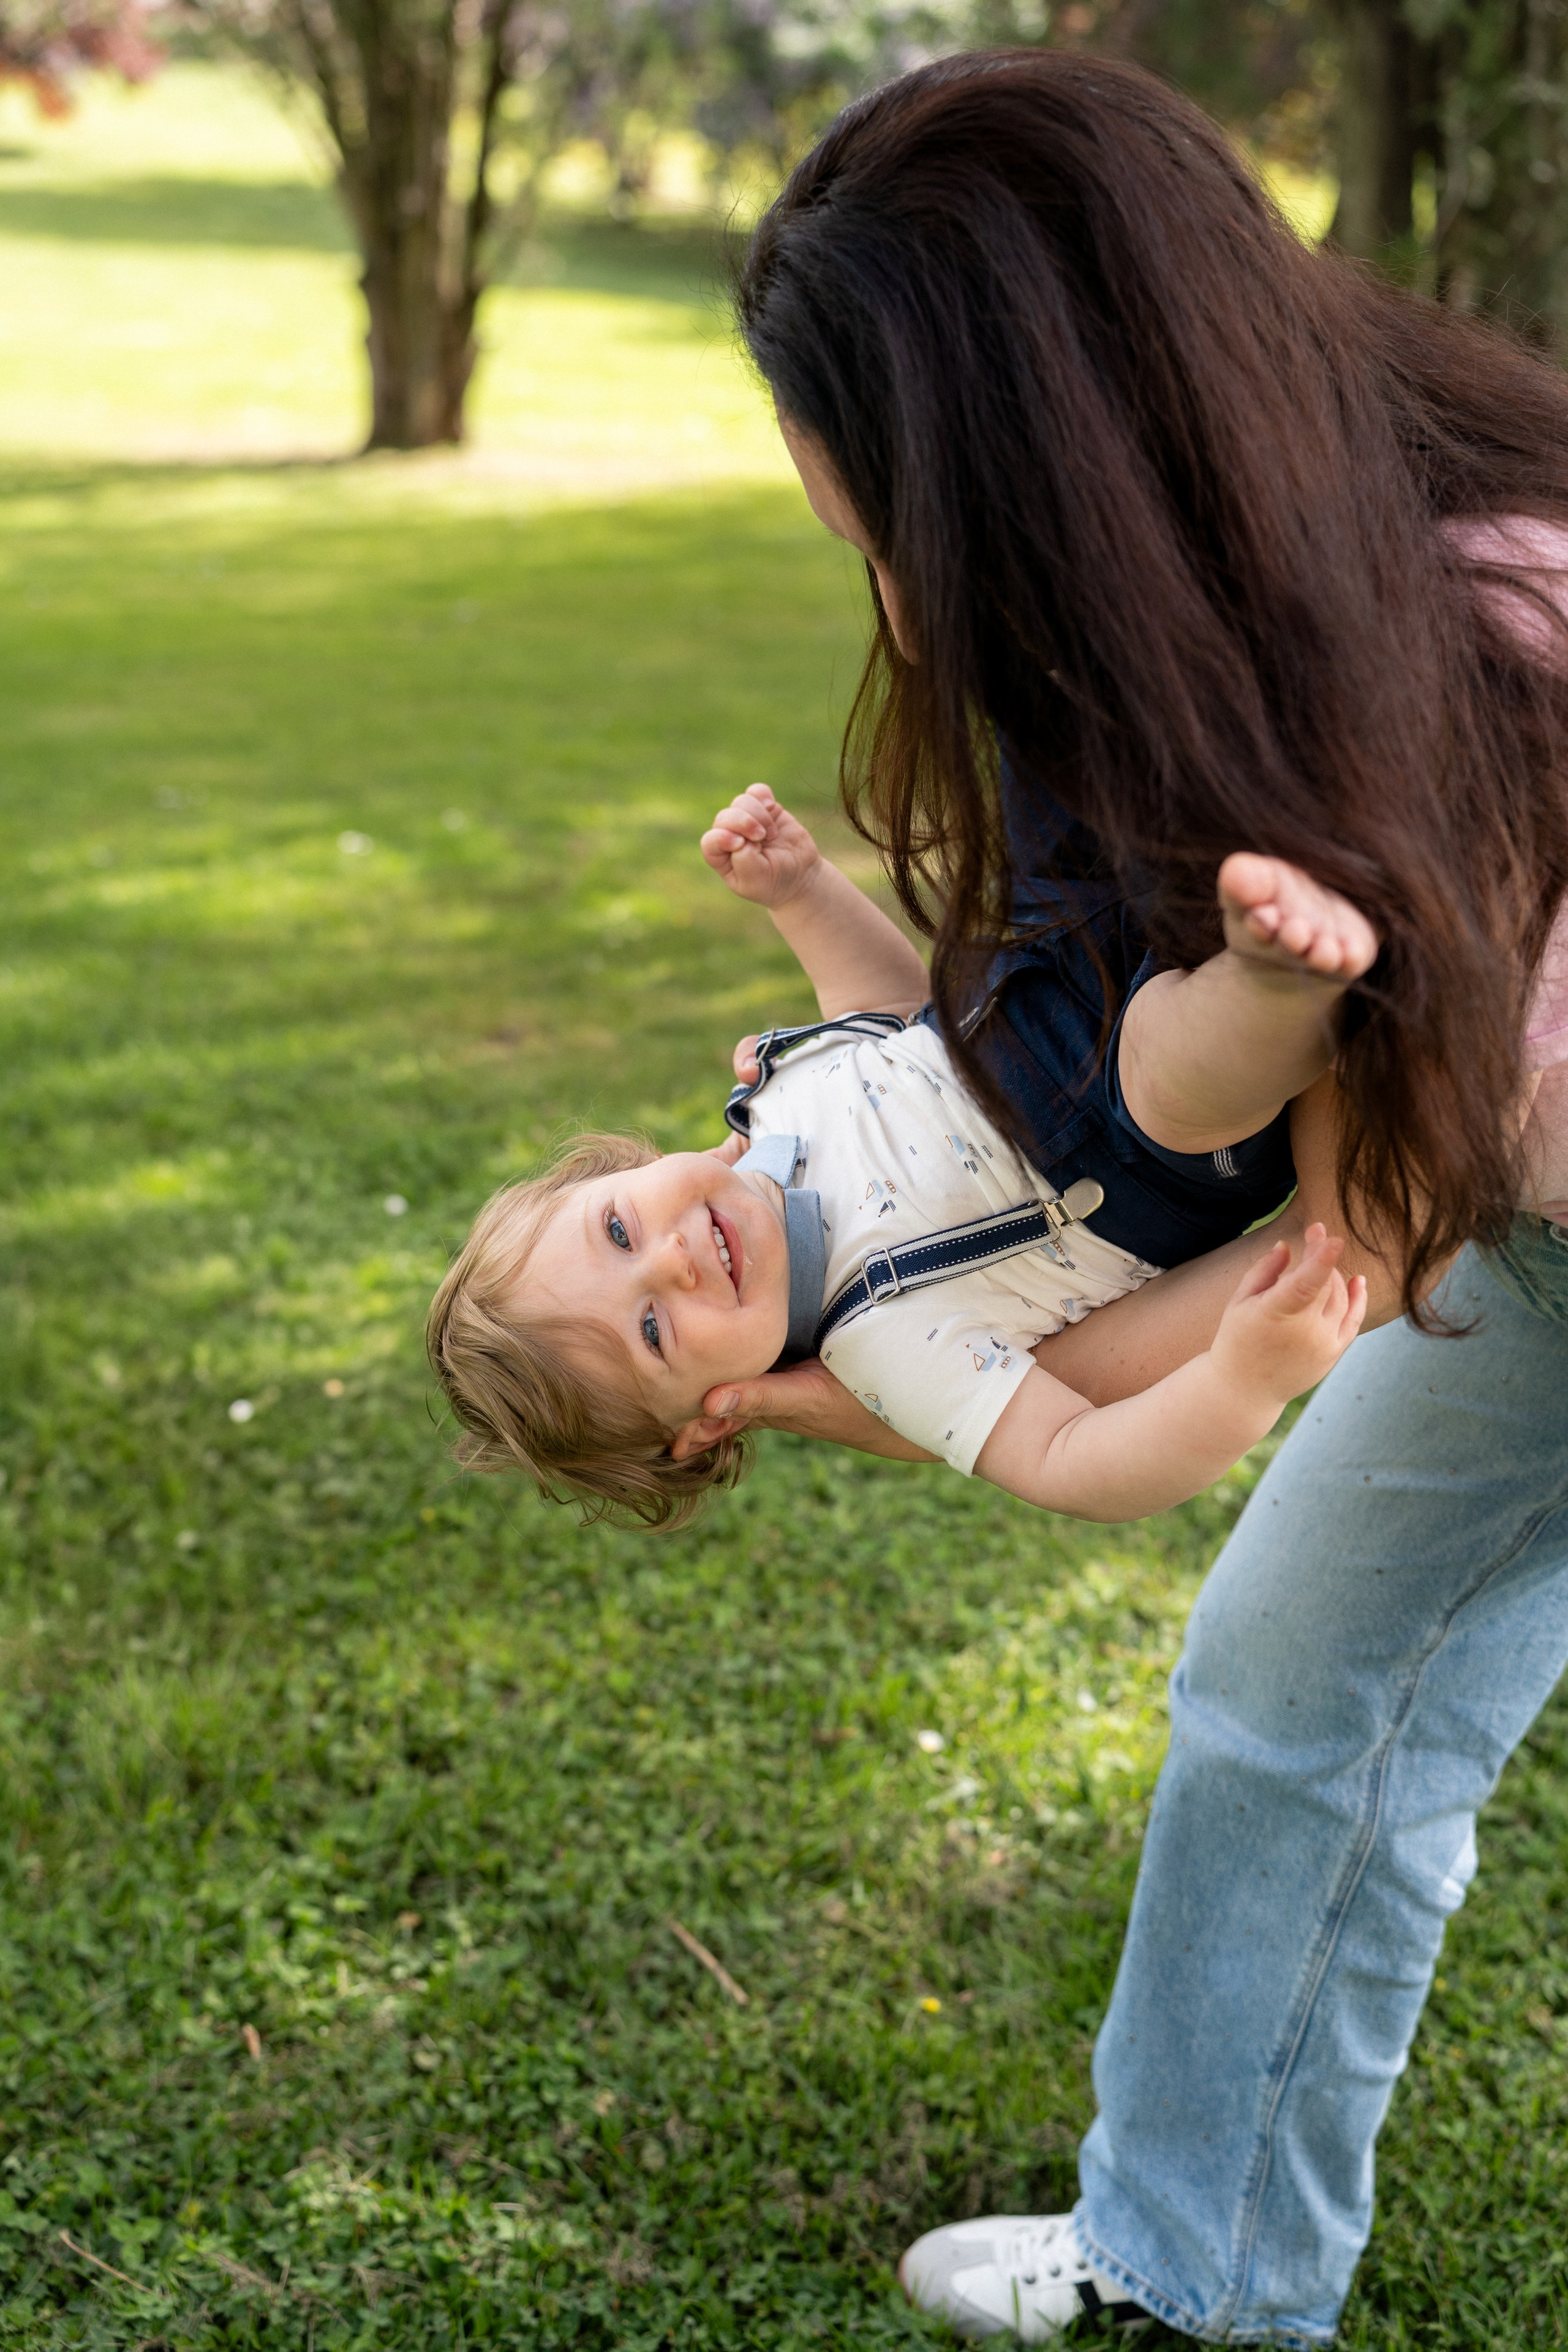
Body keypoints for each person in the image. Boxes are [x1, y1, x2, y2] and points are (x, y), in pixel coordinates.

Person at [704, 45, 1568, 2348]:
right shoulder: (1218, 691)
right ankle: (1194, 2281)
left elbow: (1289, 1283)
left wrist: (871, 1359)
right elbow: (1224, 1280)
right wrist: (818, 1362)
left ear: (1038, 474)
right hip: (1538, 1224)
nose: (895, 605)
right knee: (1299, 1685)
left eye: (884, 531)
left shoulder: (1482, 647)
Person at [425, 780, 1368, 1526]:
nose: (671, 1263)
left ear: (621, 1169)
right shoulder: (880, 1350)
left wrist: (802, 892)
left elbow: (894, 1016)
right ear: (712, 1417)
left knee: (1048, 811)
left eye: (621, 1230)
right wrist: (1243, 1384)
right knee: (1175, 1063)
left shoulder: (773, 1105)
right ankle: (1287, 973)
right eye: (653, 1330)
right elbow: (1073, 1465)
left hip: (1044, 971)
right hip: (1134, 1144)